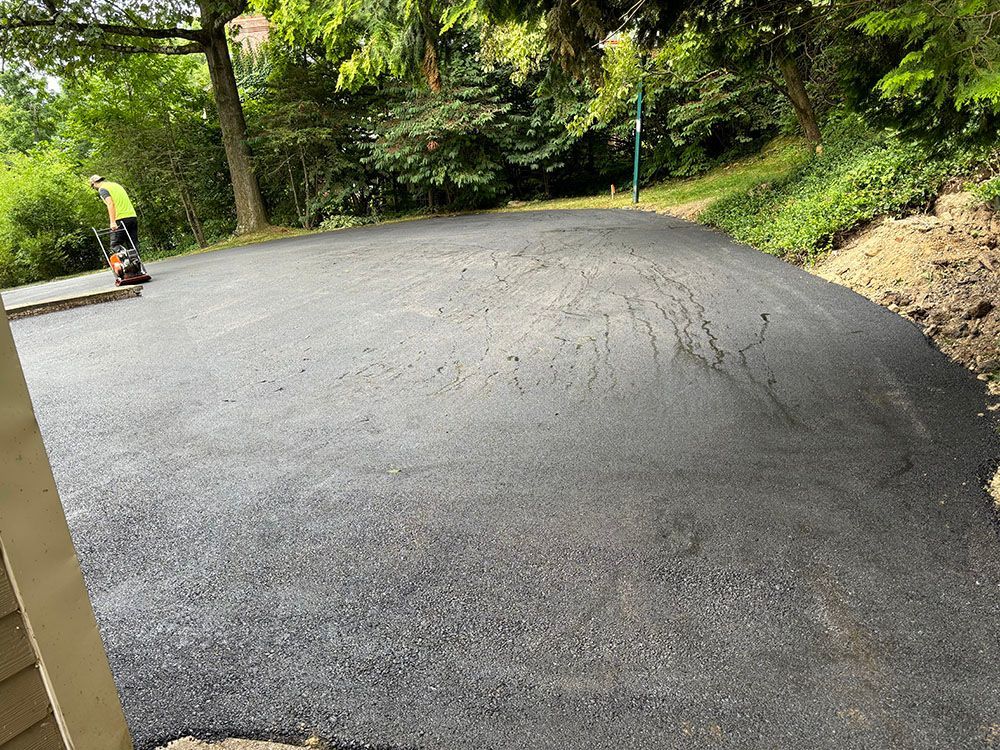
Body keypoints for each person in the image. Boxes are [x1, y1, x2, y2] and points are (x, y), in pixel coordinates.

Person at [89, 175, 139, 252]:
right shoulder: (116, 185)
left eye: (92, 187)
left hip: (120, 218)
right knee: (132, 243)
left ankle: (125, 261)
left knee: (115, 244)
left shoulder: (102, 189)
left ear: (94, 183)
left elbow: (110, 204)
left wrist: (112, 222)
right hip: (132, 216)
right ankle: (136, 262)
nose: (94, 188)